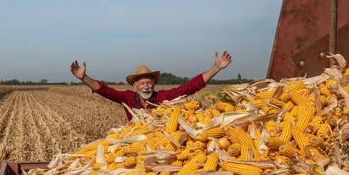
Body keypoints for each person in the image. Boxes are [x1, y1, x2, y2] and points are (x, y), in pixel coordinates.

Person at [70, 51, 232, 121]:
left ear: (154, 84)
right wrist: (84, 78)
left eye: (149, 82)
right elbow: (104, 90)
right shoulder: (127, 98)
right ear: (134, 86)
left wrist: (216, 68)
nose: (146, 86)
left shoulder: (163, 98)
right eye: (142, 83)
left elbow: (190, 87)